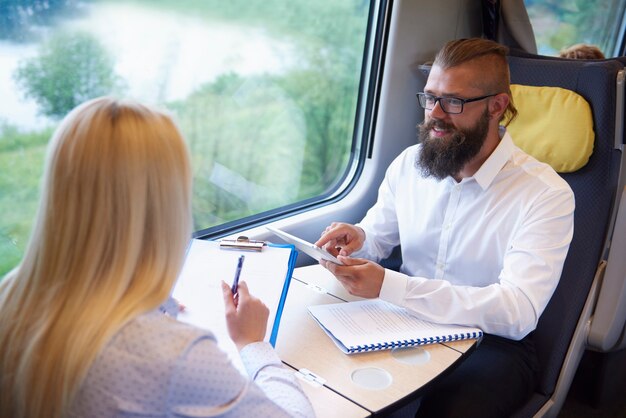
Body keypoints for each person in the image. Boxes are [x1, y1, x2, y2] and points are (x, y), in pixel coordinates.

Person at [0, 97, 314, 418]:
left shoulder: (11, 296)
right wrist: (253, 344)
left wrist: (152, 304)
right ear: (166, 210)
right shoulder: (174, 356)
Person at [315, 38, 575, 418]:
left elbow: (516, 312)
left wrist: (393, 286)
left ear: (497, 106)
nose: (435, 113)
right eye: (430, 97)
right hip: (400, 318)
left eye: (453, 101)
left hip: (492, 344)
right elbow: (379, 236)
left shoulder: (546, 194)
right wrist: (357, 240)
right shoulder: (410, 163)